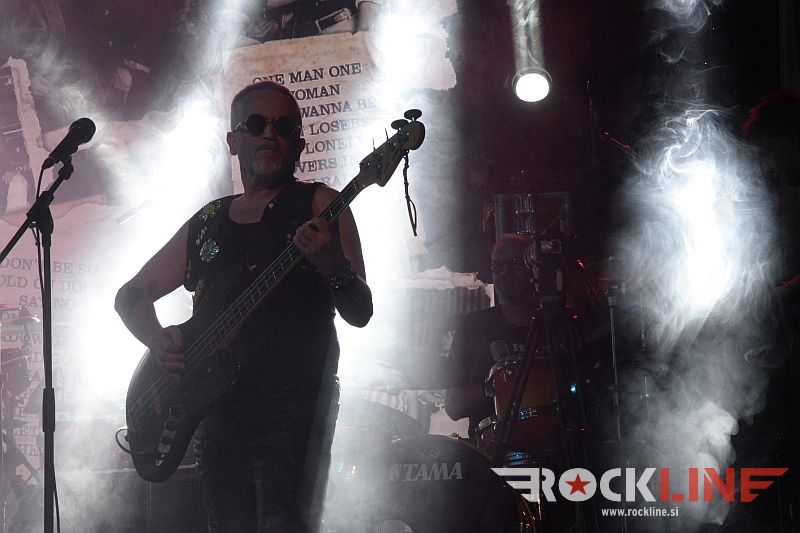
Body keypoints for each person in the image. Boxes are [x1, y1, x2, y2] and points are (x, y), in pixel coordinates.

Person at [114, 80, 373, 533]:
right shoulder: (209, 220)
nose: (269, 134)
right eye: (256, 124)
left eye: (284, 126)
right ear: (233, 141)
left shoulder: (320, 205)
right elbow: (131, 296)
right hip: (217, 411)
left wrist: (333, 265)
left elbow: (360, 311)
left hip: (295, 407)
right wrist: (157, 340)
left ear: (299, 144)